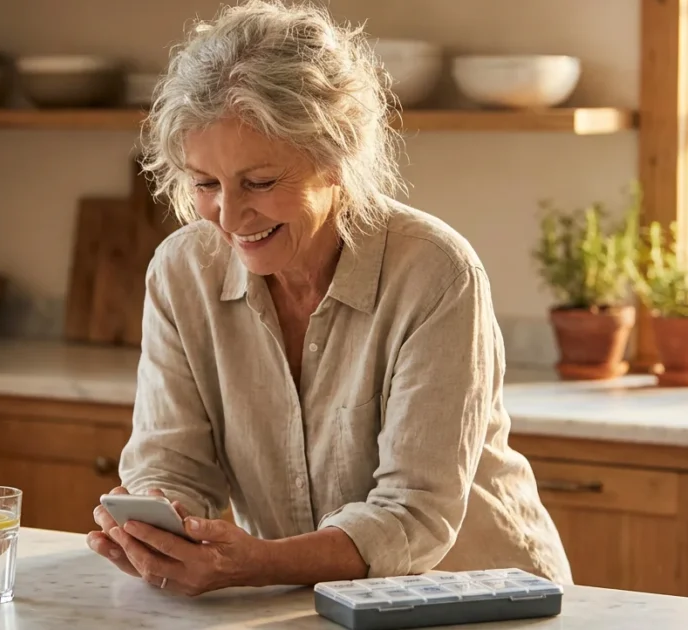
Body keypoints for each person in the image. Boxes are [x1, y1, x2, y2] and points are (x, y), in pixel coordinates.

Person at [86, 0, 572, 596]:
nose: (231, 216)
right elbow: (171, 462)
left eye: (260, 183)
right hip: (312, 603)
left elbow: (414, 515)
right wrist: (156, 521)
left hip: (478, 597)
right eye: (206, 184)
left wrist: (254, 563)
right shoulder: (182, 272)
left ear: (337, 157)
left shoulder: (436, 273)